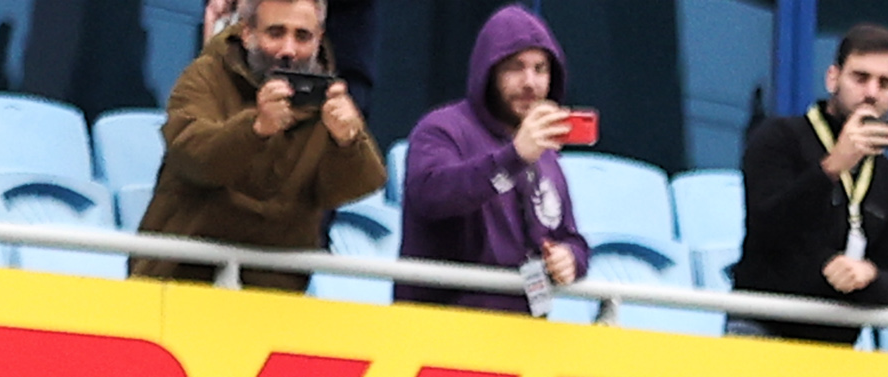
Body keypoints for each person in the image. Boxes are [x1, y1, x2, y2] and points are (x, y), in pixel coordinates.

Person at [134, 0, 377, 284]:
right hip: (178, 280)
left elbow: (355, 187)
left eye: (302, 36)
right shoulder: (204, 76)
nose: (288, 50)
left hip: (274, 293)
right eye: (275, 33)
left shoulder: (329, 99)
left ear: (319, 37)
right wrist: (256, 129)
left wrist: (349, 143)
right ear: (247, 33)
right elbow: (193, 157)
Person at [395, 7, 583, 309]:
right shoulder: (441, 129)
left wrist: (570, 259)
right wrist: (513, 157)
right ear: (489, 70)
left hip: (524, 337)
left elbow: (569, 237)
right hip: (441, 332)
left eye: (540, 68)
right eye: (515, 67)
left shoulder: (544, 152)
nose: (530, 82)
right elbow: (432, 196)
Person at [732, 24, 888, 338]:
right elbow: (767, 229)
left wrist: (868, 276)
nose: (871, 92)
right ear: (833, 78)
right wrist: (832, 167)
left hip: (836, 346)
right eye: (860, 77)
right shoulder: (778, 138)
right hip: (762, 328)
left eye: (884, 83)